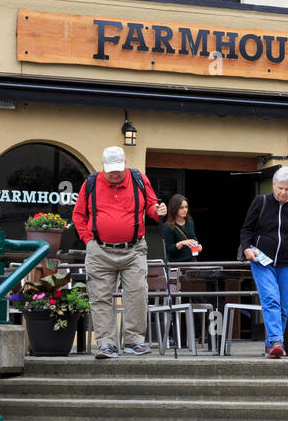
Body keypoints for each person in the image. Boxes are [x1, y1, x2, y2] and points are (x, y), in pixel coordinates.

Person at [71, 146, 168, 359]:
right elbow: (78, 215)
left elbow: (151, 205)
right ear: (103, 166)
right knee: (100, 297)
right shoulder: (91, 183)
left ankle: (134, 341)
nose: (114, 174)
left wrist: (158, 210)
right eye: (110, 169)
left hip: (133, 249)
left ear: (124, 164)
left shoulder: (138, 179)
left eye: (117, 169)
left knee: (137, 294)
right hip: (100, 250)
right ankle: (106, 344)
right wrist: (88, 241)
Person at [239, 167, 288, 358]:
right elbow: (246, 230)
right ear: (274, 185)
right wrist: (246, 248)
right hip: (261, 261)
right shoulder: (261, 201)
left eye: (287, 189)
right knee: (271, 300)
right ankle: (277, 341)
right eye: (280, 188)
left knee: (283, 306)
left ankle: (272, 347)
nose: (283, 192)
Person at [162, 194, 201, 263]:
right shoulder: (168, 227)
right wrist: (182, 243)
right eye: (181, 208)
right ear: (174, 208)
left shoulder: (190, 221)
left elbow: (193, 237)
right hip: (177, 264)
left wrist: (198, 246)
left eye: (186, 207)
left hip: (192, 261)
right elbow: (168, 249)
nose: (185, 210)